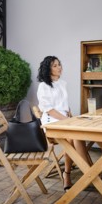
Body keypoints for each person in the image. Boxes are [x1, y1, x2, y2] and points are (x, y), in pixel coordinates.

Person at [37, 56, 92, 191]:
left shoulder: (63, 83)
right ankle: (90, 172)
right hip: (51, 122)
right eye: (55, 65)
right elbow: (49, 110)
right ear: (48, 69)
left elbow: (65, 106)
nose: (59, 67)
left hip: (64, 120)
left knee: (75, 136)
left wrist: (71, 117)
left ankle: (72, 173)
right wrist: (67, 120)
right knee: (73, 136)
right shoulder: (43, 86)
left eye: (59, 64)